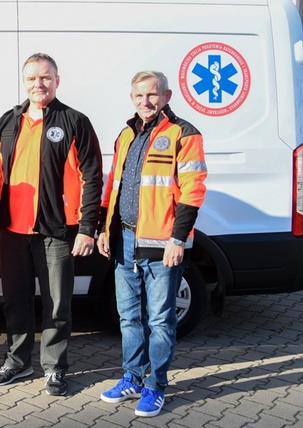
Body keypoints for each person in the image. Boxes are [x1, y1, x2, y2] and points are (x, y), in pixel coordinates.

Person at [0, 53, 103, 396]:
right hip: (11, 230)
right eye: (32, 78)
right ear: (24, 82)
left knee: (56, 303)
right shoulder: (8, 122)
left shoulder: (74, 121)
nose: (39, 84)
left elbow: (92, 176)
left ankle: (55, 367)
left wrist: (86, 227)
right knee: (15, 300)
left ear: (57, 80)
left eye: (46, 77)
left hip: (56, 230)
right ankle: (18, 361)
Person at [97, 70, 207, 417]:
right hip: (124, 239)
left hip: (163, 243)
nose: (146, 102)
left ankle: (156, 386)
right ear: (132, 98)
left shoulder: (184, 134)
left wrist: (179, 239)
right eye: (139, 96)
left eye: (153, 95)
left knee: (160, 320)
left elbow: (193, 190)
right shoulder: (126, 134)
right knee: (128, 317)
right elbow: (113, 184)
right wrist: (104, 228)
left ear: (167, 96)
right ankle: (131, 377)